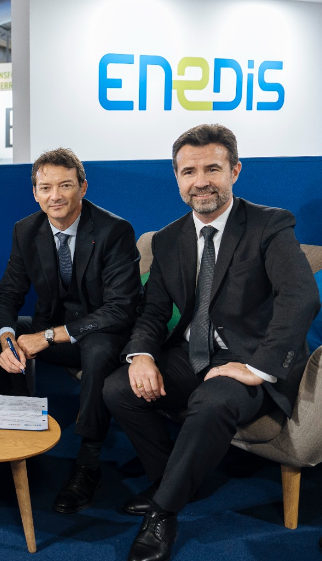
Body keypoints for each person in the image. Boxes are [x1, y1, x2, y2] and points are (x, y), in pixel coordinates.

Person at [103, 124, 319, 561]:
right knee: (118, 388)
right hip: (192, 353)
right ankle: (174, 480)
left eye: (212, 169)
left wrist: (257, 367)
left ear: (234, 171)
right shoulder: (168, 239)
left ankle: (163, 511)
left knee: (213, 401)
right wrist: (141, 355)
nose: (200, 181)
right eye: (189, 171)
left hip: (247, 358)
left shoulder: (269, 224)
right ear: (177, 177)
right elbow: (153, 311)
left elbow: (300, 297)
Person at [0, 147, 140, 514]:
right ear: (35, 193)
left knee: (97, 351)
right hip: (50, 329)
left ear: (83, 187)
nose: (55, 196)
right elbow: (8, 294)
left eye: (65, 185)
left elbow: (120, 309)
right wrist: (7, 339)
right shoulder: (26, 230)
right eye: (46, 187)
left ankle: (88, 463)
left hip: (104, 331)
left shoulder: (114, 230)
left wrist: (48, 336)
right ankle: (22, 429)